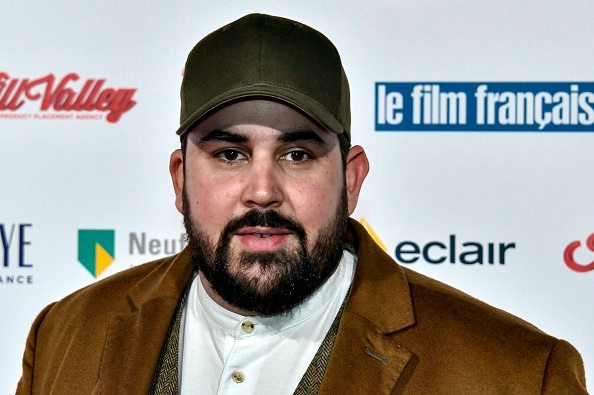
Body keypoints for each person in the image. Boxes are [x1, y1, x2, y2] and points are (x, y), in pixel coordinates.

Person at [16, 13, 588, 395]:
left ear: (352, 178)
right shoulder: (65, 335)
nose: (262, 191)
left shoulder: (517, 375)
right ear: (179, 177)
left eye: (296, 154)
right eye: (229, 155)